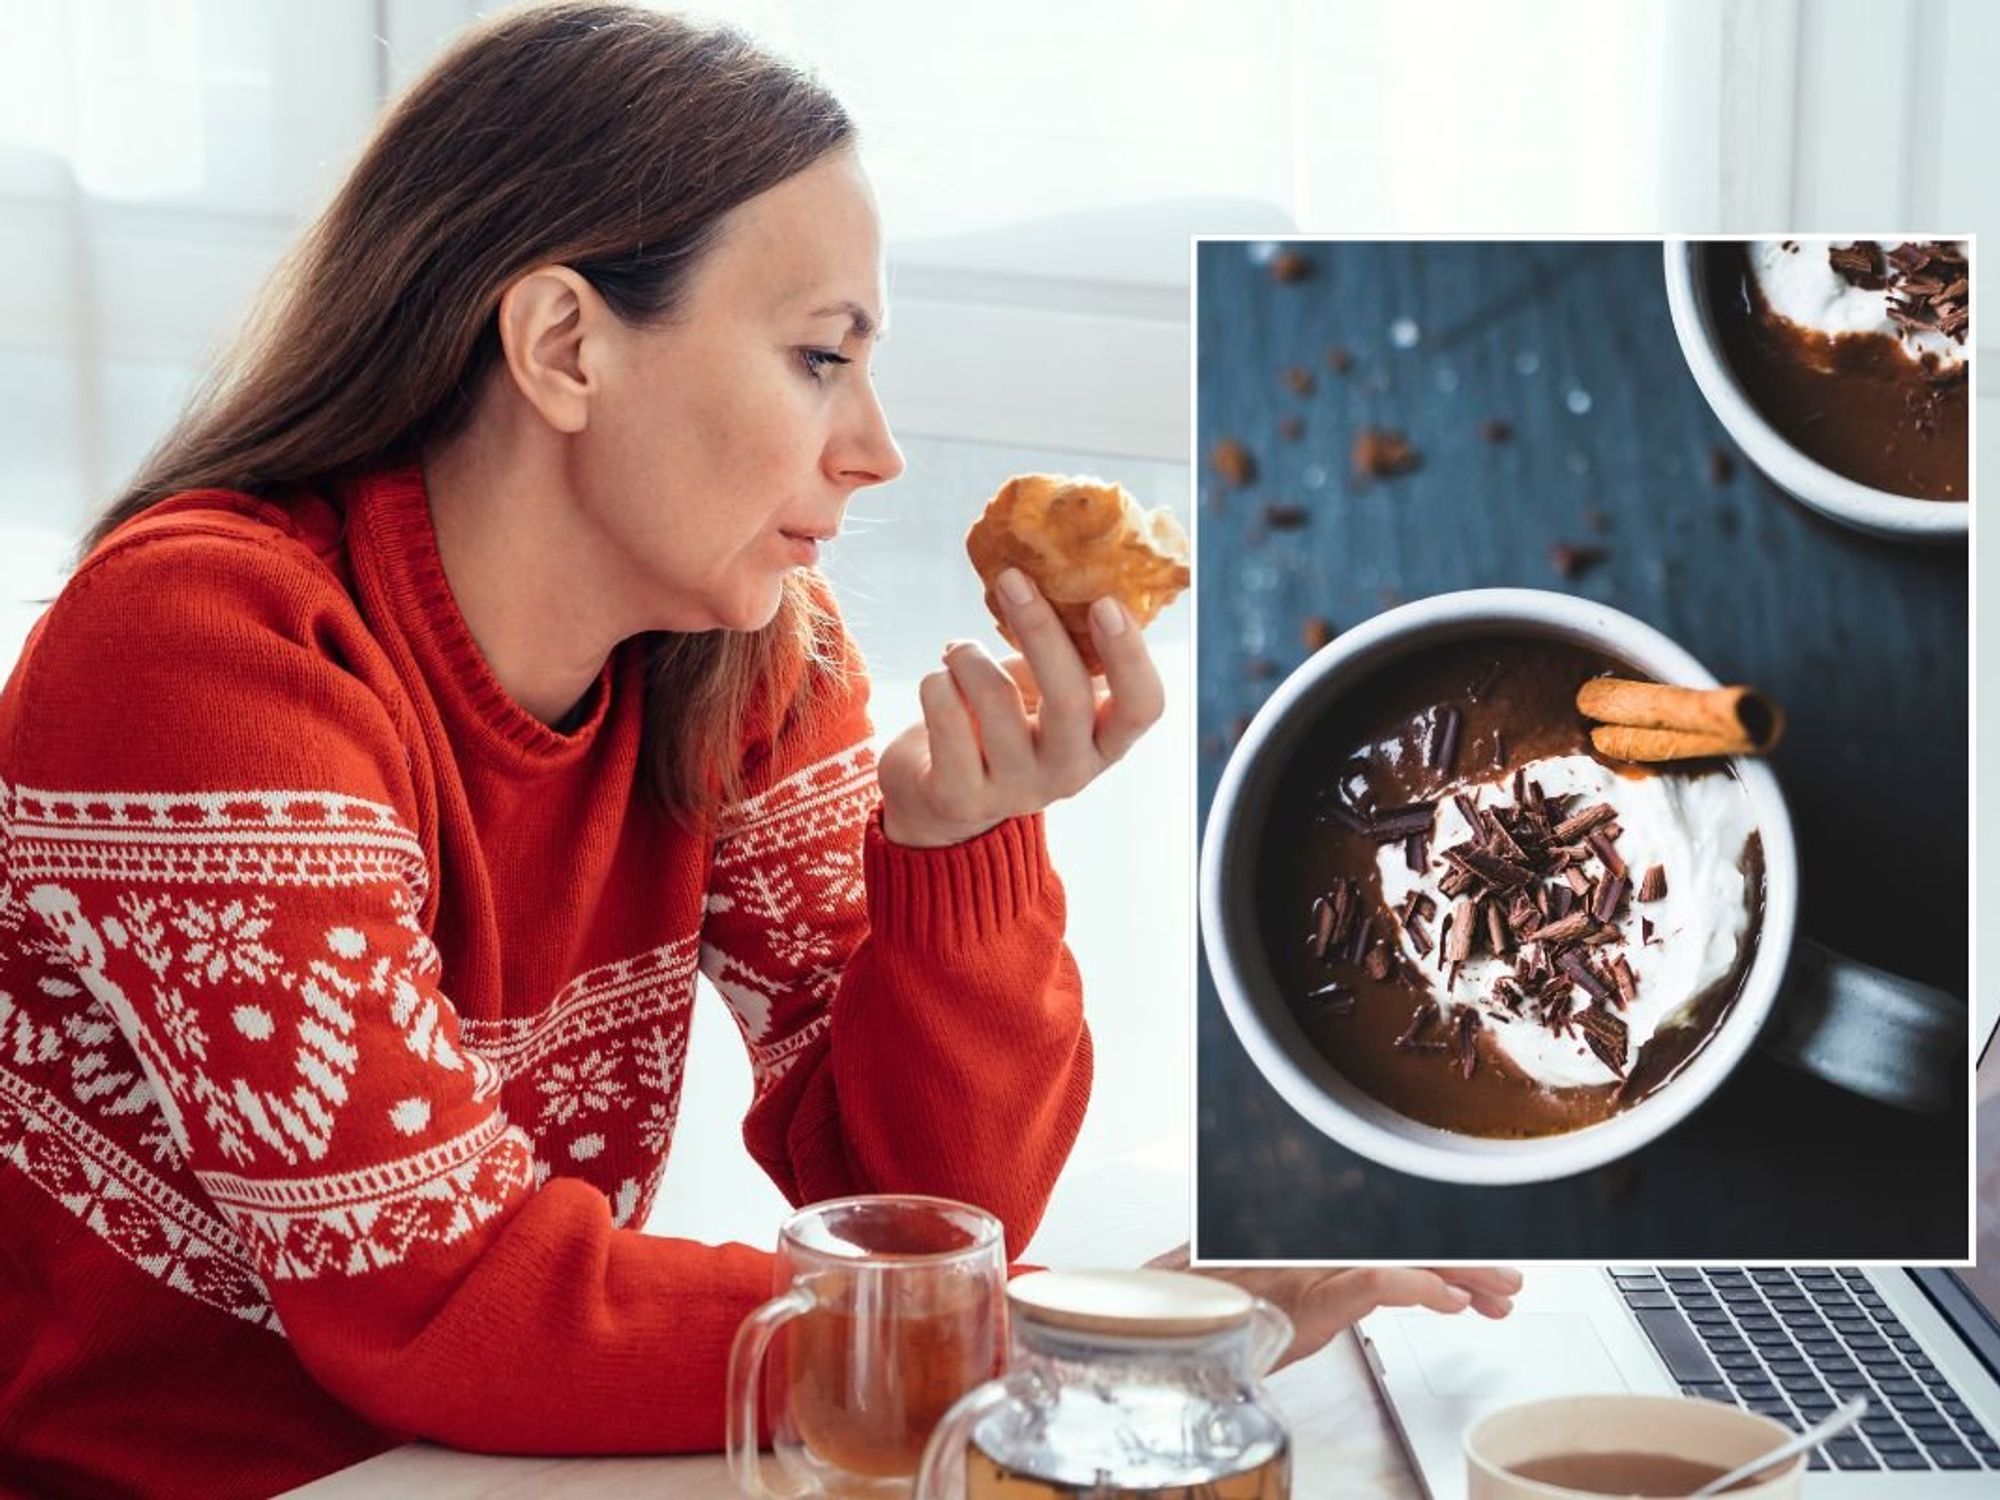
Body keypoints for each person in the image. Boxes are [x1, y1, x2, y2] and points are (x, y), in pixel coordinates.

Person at [0, 6, 1512, 1495]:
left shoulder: (748, 651)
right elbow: (443, 1302)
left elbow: (922, 1223)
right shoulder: (207, 654)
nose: (877, 449)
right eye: (816, 358)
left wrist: (956, 851)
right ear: (565, 346)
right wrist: (1112, 1335)